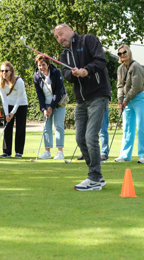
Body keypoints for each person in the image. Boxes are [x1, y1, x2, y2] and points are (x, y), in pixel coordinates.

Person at [54, 24, 111, 191]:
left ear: (70, 30)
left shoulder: (88, 40)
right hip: (81, 100)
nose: (60, 38)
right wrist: (72, 73)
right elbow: (65, 74)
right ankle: (97, 176)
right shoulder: (64, 55)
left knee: (91, 136)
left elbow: (101, 60)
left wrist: (86, 70)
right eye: (57, 37)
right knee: (80, 139)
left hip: (98, 95)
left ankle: (93, 178)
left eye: (61, 34)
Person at [115, 44, 144, 163]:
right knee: (127, 127)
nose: (122, 55)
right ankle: (125, 155)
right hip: (127, 99)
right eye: (120, 53)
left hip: (139, 98)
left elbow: (136, 86)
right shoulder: (120, 68)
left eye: (124, 52)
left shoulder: (136, 66)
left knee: (141, 125)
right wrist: (120, 100)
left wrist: (126, 100)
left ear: (129, 52)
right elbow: (120, 86)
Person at [33, 54, 66, 160]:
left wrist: (51, 107)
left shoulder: (56, 72)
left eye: (43, 64)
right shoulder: (37, 76)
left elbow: (58, 91)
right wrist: (44, 109)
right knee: (46, 128)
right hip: (46, 104)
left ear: (47, 64)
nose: (41, 67)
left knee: (58, 126)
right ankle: (47, 152)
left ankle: (60, 152)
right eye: (39, 65)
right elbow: (40, 94)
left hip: (59, 103)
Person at [0, 61, 28, 158]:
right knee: (7, 127)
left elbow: (19, 99)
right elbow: (4, 99)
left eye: (6, 71)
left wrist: (13, 112)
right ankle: (7, 152)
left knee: (20, 128)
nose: (4, 73)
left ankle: (19, 152)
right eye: (2, 71)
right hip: (9, 104)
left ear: (11, 71)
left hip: (21, 104)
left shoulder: (19, 81)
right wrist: (7, 114)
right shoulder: (0, 82)